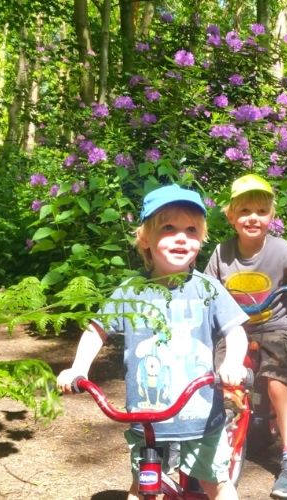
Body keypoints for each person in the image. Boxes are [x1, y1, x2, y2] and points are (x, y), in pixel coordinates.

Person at [57, 184, 250, 500]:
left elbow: (235, 331)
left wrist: (231, 362)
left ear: (201, 239)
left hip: (201, 419)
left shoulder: (208, 289)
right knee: (143, 487)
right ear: (145, 238)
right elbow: (96, 330)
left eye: (191, 230)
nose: (181, 237)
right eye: (168, 228)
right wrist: (78, 369)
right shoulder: (130, 290)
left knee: (218, 484)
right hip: (147, 420)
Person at [204, 173, 287, 499]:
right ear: (230, 216)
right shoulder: (221, 253)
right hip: (234, 330)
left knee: (276, 386)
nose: (252, 218)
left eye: (260, 211)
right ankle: (214, 448)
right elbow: (205, 288)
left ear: (271, 216)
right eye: (244, 211)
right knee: (222, 382)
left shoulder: (280, 249)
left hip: (275, 327)